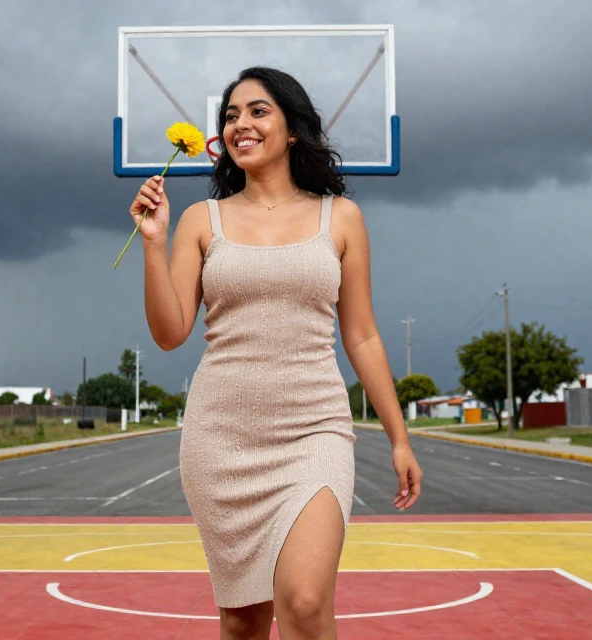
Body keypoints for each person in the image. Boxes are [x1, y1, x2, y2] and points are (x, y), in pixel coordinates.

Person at [129, 66, 422, 640]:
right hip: (220, 438)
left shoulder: (340, 216)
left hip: (314, 430)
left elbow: (360, 335)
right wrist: (154, 243)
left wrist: (399, 437)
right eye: (231, 115)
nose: (242, 123)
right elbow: (169, 334)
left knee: (306, 604)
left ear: (292, 129)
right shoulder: (198, 220)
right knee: (241, 622)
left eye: (258, 111)